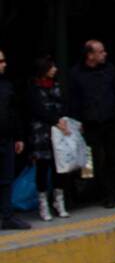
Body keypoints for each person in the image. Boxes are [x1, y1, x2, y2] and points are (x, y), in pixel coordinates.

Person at [68, 39, 115, 210]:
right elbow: (74, 99)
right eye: (100, 52)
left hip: (111, 119)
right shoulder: (76, 73)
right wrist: (78, 121)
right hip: (91, 123)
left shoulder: (109, 68)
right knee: (94, 160)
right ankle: (104, 193)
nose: (104, 54)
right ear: (90, 55)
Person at [27, 55, 72, 222]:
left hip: (59, 132)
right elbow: (37, 109)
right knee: (42, 168)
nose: (55, 69)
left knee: (59, 167)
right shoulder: (34, 88)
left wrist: (65, 121)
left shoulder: (57, 85)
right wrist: (54, 121)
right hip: (42, 134)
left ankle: (59, 202)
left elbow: (64, 104)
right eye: (51, 67)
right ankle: (43, 204)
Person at [0, 49, 28, 231]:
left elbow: (14, 112)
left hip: (6, 139)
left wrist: (18, 137)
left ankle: (7, 216)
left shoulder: (6, 85)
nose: (4, 64)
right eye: (1, 61)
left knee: (6, 179)